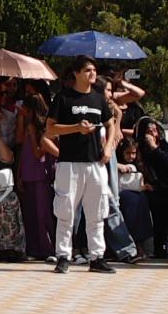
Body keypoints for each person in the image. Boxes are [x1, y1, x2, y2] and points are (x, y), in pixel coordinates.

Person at [46, 58, 116, 274]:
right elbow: (50, 130)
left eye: (94, 70)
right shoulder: (63, 97)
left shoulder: (98, 98)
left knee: (97, 212)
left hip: (94, 163)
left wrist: (108, 149)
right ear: (76, 73)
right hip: (69, 163)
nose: (92, 73)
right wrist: (76, 128)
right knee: (66, 211)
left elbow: (110, 123)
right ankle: (63, 256)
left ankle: (97, 257)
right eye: (87, 70)